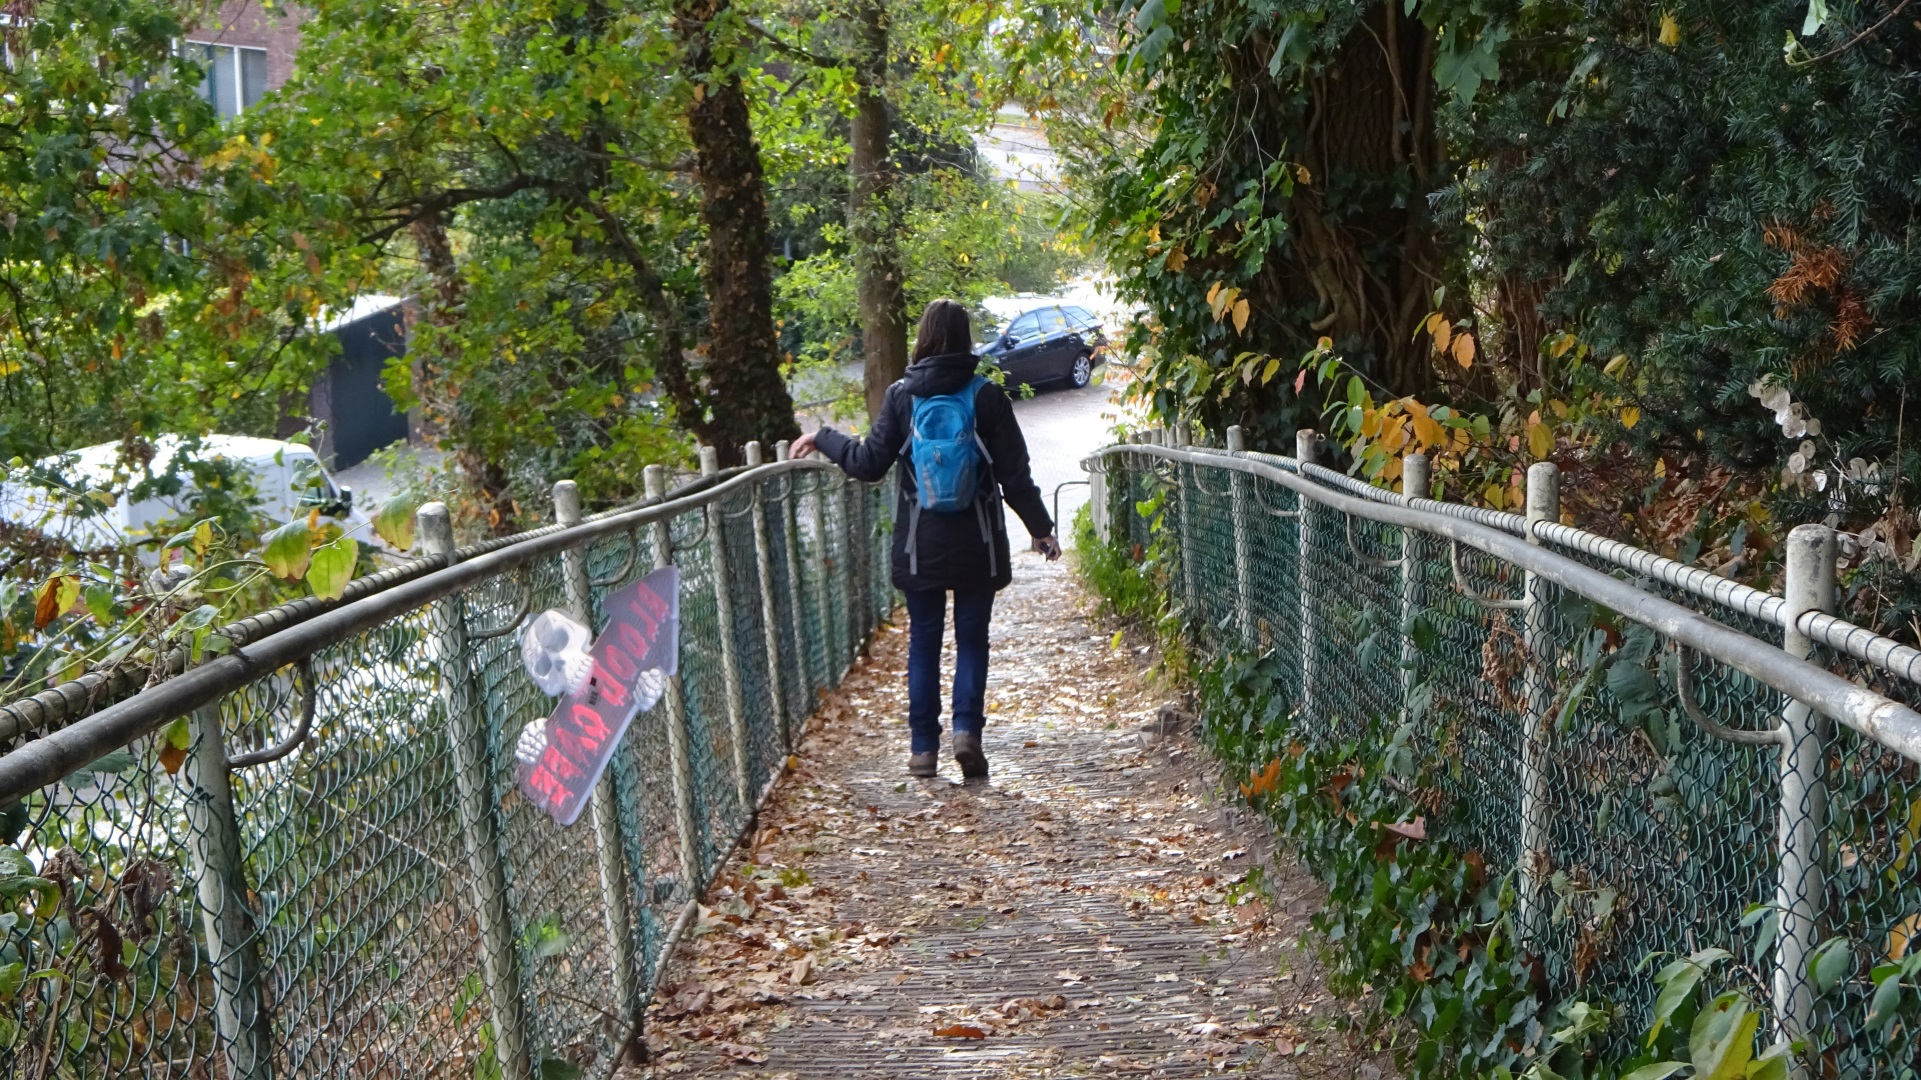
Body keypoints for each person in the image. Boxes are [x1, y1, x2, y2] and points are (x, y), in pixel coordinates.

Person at [791, 299, 1060, 780]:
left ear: (923, 337)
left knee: (924, 643)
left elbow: (868, 463)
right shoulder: (987, 397)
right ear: (965, 337)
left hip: (920, 546)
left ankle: (922, 749)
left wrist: (824, 438)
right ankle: (966, 733)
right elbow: (1016, 476)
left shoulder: (902, 396)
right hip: (978, 544)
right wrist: (1041, 530)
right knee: (973, 639)